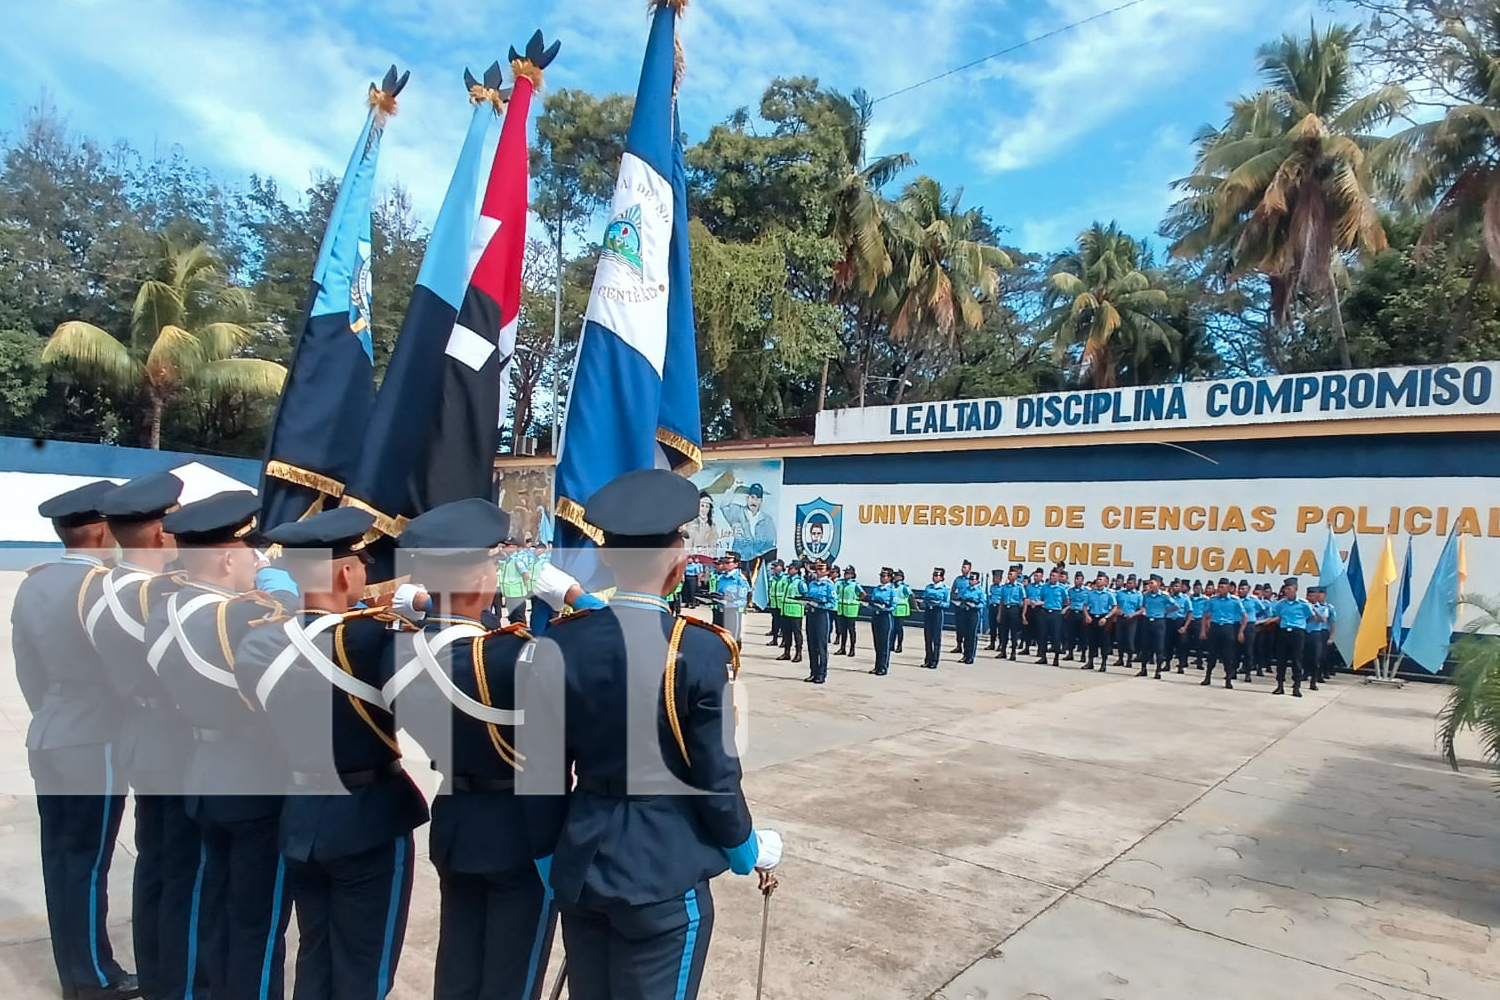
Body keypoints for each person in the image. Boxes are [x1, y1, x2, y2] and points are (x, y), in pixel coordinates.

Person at [518, 469, 783, 1000]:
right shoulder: (701, 650)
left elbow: (540, 774)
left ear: (609, 558)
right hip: (664, 868)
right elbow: (715, 775)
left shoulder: (561, 644)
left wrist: (552, 864)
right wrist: (745, 849)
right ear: (676, 560)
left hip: (584, 861)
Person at [234, 506, 429, 1000]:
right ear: (346, 571)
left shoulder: (258, 641)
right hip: (367, 818)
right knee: (364, 970)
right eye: (363, 563)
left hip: (301, 814)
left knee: (315, 958)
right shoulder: (370, 638)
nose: (367, 573)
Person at [382, 501, 559, 1000]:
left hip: (456, 820)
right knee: (510, 980)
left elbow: (415, 613)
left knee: (457, 970)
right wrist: (577, 598)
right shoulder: (511, 656)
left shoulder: (392, 654)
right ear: (482, 583)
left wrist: (427, 603)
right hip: (521, 832)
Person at [143, 492, 292, 1000]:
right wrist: (285, 593)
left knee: (212, 913)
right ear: (230, 557)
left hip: (203, 769)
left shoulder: (163, 609)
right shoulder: (246, 616)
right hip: (257, 778)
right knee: (257, 926)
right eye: (253, 551)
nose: (259, 560)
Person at [14, 480, 140, 1000]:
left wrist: (53, 712)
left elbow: (28, 671)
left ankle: (77, 971)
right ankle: (93, 977)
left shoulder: (33, 584)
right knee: (89, 863)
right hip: (96, 737)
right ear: (102, 529)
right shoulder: (105, 588)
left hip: (50, 731)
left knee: (62, 861)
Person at [91, 473, 202, 1000]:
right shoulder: (160, 594)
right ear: (161, 532)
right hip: (177, 738)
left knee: (156, 867)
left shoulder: (101, 583)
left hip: (140, 732)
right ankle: (179, 984)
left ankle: (159, 977)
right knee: (181, 874)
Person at [1267, 577, 1314, 697]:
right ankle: (1280, 686)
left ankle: (1296, 687)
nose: (1287, 591)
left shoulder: (1304, 604)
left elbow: (1310, 617)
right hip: (1283, 632)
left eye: (1289, 588)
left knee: (1297, 659)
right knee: (1281, 660)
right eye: (1285, 589)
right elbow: (1277, 615)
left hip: (1297, 632)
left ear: (1296, 589)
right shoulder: (1280, 604)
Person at [1200, 578, 1247, 689]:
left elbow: (1245, 616)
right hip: (1215, 627)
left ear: (1228, 588)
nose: (1220, 589)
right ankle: (1207, 677)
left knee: (1228, 655)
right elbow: (1205, 615)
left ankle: (1228, 679)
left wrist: (1241, 631)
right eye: (1219, 587)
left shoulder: (1235, 601)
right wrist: (1203, 630)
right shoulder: (1212, 600)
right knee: (1211, 654)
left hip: (1228, 628)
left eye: (1223, 587)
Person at [803, 561, 836, 683]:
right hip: (811, 614)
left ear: (827, 571)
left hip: (822, 615)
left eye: (821, 569)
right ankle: (813, 672)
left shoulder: (829, 585)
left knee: (821, 646)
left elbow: (832, 603)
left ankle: (821, 673)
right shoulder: (812, 584)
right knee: (812, 645)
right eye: (817, 569)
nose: (818, 571)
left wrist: (819, 605)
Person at [916, 568, 949, 669]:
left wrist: (938, 603)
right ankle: (928, 659)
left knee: (936, 638)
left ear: (942, 577)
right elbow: (925, 599)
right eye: (934, 575)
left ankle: (934, 660)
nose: (935, 577)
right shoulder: (928, 587)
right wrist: (920, 603)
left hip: (937, 612)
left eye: (937, 575)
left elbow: (947, 603)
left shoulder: (945, 589)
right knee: (928, 637)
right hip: (928, 611)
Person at [1081, 574, 1116, 671]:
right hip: (1093, 618)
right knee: (1091, 641)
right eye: (1097, 579)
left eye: (1101, 579)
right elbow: (1085, 606)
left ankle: (1103, 663)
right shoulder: (1091, 593)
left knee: (1104, 642)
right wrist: (1087, 616)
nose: (1098, 581)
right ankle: (1090, 662)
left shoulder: (1109, 594)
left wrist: (1106, 617)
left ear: (1105, 582)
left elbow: (1114, 608)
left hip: (1103, 618)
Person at [714, 552, 750, 646]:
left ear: (736, 564)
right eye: (724, 562)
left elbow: (744, 597)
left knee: (733, 635)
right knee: (719, 634)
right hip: (720, 608)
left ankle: (734, 656)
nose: (724, 565)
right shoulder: (722, 577)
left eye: (728, 562)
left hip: (733, 609)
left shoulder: (739, 579)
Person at [867, 568, 897, 676]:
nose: (881, 578)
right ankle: (877, 665)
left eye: (884, 576)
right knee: (877, 642)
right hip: (876, 616)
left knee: (884, 643)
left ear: (889, 577)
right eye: (881, 576)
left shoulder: (892, 590)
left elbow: (893, 606)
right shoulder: (877, 589)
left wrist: (883, 606)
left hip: (885, 616)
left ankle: (883, 666)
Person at [1139, 575, 1169, 679]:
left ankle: (1158, 670)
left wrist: (1165, 612)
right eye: (1149, 583)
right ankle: (1143, 669)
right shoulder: (1146, 595)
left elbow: (1176, 606)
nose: (1150, 585)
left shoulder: (1164, 596)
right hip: (1147, 621)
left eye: (1152, 583)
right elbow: (1143, 606)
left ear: (1158, 584)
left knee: (1159, 646)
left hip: (1159, 622)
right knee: (1145, 645)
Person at [1306, 586, 1337, 684]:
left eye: (1321, 594)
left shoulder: (1328, 608)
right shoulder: (1306, 605)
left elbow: (1332, 622)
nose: (1319, 596)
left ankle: (1320, 674)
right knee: (1306, 654)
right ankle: (1306, 673)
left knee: (1321, 656)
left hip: (1322, 632)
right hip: (1307, 631)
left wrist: (1331, 637)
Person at [1037, 567, 1068, 666]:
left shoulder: (1062, 588)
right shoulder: (1044, 587)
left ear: (1058, 577)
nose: (1051, 577)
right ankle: (1043, 656)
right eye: (1050, 575)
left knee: (1056, 635)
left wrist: (1062, 609)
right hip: (1045, 612)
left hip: (1056, 613)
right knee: (1043, 635)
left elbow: (1066, 601)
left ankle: (1056, 657)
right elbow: (1042, 598)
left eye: (1054, 576)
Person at [952, 567, 982, 664]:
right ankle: (965, 655)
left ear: (977, 580)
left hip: (974, 613)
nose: (971, 581)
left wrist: (975, 604)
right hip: (965, 611)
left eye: (973, 579)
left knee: (972, 635)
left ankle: (970, 656)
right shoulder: (965, 589)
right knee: (965, 634)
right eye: (970, 579)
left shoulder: (980, 591)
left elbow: (983, 603)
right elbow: (961, 598)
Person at [778, 562, 806, 663]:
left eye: (791, 568)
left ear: (797, 570)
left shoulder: (800, 582)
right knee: (786, 633)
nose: (789, 570)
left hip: (795, 612)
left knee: (797, 633)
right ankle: (787, 652)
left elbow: (804, 595)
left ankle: (798, 653)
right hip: (785, 610)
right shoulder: (786, 580)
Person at [998, 566, 1025, 661]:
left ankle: (1013, 652)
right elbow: (1002, 600)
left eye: (1011, 574)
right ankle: (1003, 651)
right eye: (1008, 574)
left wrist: (1023, 614)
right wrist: (999, 613)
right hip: (1005, 608)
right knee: (1003, 631)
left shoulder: (1019, 587)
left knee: (1014, 632)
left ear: (1016, 575)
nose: (1009, 576)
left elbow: (1024, 600)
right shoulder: (1004, 587)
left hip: (1014, 609)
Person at [1166, 579, 1192, 675]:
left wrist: (1185, 626)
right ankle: (1167, 664)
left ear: (1181, 587)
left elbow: (1190, 613)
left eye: (1177, 586)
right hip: (1169, 622)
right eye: (1174, 586)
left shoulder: (1185, 598)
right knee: (1168, 645)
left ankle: (1181, 665)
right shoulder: (1169, 598)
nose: (1175, 588)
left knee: (1181, 645)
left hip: (1179, 622)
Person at [835, 566, 862, 657]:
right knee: (843, 630)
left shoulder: (855, 584)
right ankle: (842, 648)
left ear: (852, 575)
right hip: (842, 609)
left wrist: (857, 600)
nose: (845, 574)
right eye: (845, 573)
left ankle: (852, 648)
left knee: (851, 630)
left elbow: (863, 594)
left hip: (851, 610)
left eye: (847, 573)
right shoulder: (841, 583)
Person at [949, 560, 973, 653]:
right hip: (959, 605)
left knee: (967, 627)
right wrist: (954, 598)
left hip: (968, 605)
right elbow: (953, 590)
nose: (963, 569)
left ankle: (967, 647)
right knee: (959, 627)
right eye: (962, 567)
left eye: (965, 567)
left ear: (970, 569)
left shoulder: (971, 580)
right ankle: (958, 645)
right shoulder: (958, 579)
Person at [1064, 570, 1088, 662]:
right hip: (1072, 613)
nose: (1076, 580)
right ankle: (1070, 653)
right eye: (1075, 578)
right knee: (1071, 635)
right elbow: (1069, 602)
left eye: (1078, 579)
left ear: (1082, 580)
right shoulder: (1070, 590)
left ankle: (1083, 655)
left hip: (1082, 614)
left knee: (1083, 636)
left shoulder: (1087, 591)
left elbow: (1088, 603)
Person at [764, 559, 786, 645]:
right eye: (773, 566)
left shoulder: (785, 578)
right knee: (775, 622)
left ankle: (784, 640)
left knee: (784, 623)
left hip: (782, 604)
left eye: (776, 566)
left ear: (781, 567)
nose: (774, 568)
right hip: (774, 603)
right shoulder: (772, 578)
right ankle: (774, 639)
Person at [891, 569, 913, 654]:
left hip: (901, 610)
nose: (895, 577)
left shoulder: (904, 587)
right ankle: (891, 645)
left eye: (897, 576)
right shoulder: (892, 586)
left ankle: (899, 645)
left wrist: (916, 606)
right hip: (893, 609)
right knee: (892, 629)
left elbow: (911, 595)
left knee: (898, 628)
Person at [985, 569, 1005, 651]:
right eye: (994, 578)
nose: (995, 579)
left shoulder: (1003, 588)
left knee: (1000, 627)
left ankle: (1001, 644)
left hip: (999, 607)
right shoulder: (992, 587)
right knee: (992, 626)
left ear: (1000, 579)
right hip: (992, 607)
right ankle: (992, 643)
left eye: (997, 578)